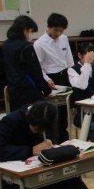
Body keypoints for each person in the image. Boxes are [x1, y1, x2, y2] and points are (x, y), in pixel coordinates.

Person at [33, 12, 74, 140]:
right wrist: (46, 79)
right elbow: (38, 67)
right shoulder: (39, 44)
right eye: (56, 30)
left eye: (61, 31)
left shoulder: (64, 38)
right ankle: (56, 139)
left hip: (65, 75)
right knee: (53, 113)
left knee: (64, 112)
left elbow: (69, 59)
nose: (58, 33)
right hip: (51, 79)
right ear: (49, 27)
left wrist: (72, 73)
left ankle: (65, 139)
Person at [3, 15, 51, 111]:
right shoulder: (26, 47)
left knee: (19, 116)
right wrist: (46, 89)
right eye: (31, 31)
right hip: (29, 90)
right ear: (25, 29)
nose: (31, 35)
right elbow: (35, 71)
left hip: (13, 88)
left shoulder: (6, 45)